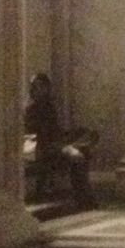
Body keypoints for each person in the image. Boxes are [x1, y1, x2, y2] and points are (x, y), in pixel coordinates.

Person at [23, 71, 94, 211]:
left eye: (42, 87)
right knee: (77, 155)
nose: (39, 90)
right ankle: (84, 198)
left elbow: (55, 132)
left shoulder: (49, 108)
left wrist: (66, 139)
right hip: (39, 149)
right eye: (36, 87)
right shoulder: (31, 110)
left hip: (53, 144)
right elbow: (36, 138)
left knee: (86, 137)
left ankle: (83, 196)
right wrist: (63, 147)